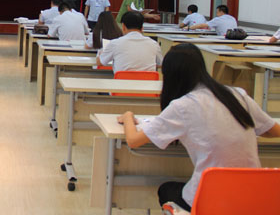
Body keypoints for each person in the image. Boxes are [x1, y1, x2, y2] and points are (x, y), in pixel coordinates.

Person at [118, 43, 280, 211]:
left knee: (166, 190)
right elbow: (274, 130)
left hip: (210, 202)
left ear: (170, 76)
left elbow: (133, 141)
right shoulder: (237, 94)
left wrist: (128, 116)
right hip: (254, 199)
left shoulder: (182, 106)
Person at [97, 11, 162, 74]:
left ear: (123, 27)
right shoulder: (154, 44)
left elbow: (100, 63)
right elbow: (161, 63)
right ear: (142, 28)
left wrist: (99, 52)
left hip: (122, 81)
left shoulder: (115, 43)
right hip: (148, 81)